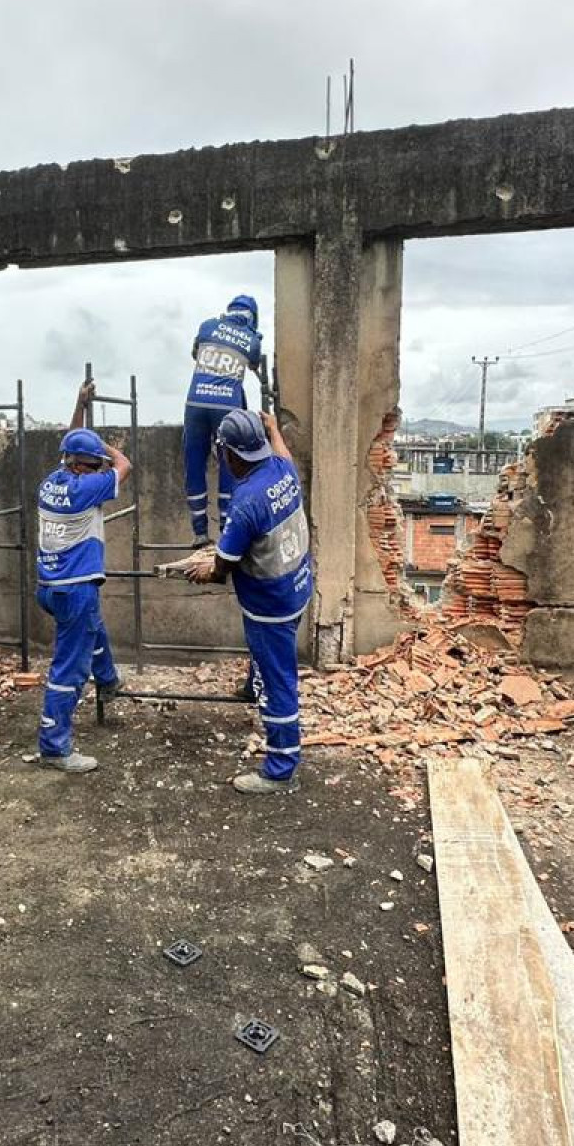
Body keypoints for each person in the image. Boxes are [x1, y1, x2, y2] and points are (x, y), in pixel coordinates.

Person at [184, 408, 313, 793]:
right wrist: (274, 428)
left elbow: (224, 564)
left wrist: (206, 569)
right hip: (297, 586)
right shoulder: (282, 471)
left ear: (228, 453)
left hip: (270, 605)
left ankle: (281, 766)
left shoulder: (245, 502)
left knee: (280, 683)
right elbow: (284, 453)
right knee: (268, 667)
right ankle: (251, 685)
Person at [35, 381, 132, 773]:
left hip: (51, 585)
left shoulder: (51, 483)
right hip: (76, 589)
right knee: (68, 670)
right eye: (97, 462)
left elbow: (70, 444)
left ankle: (107, 679)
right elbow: (125, 464)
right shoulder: (88, 488)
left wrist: (80, 409)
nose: (103, 468)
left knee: (93, 629)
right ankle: (54, 746)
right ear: (87, 465)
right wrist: (105, 445)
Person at [181, 294, 264, 546]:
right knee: (230, 464)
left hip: (195, 404)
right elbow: (253, 365)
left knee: (194, 462)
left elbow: (196, 354)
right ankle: (227, 532)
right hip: (226, 407)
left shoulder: (207, 326)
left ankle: (199, 532)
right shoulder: (252, 340)